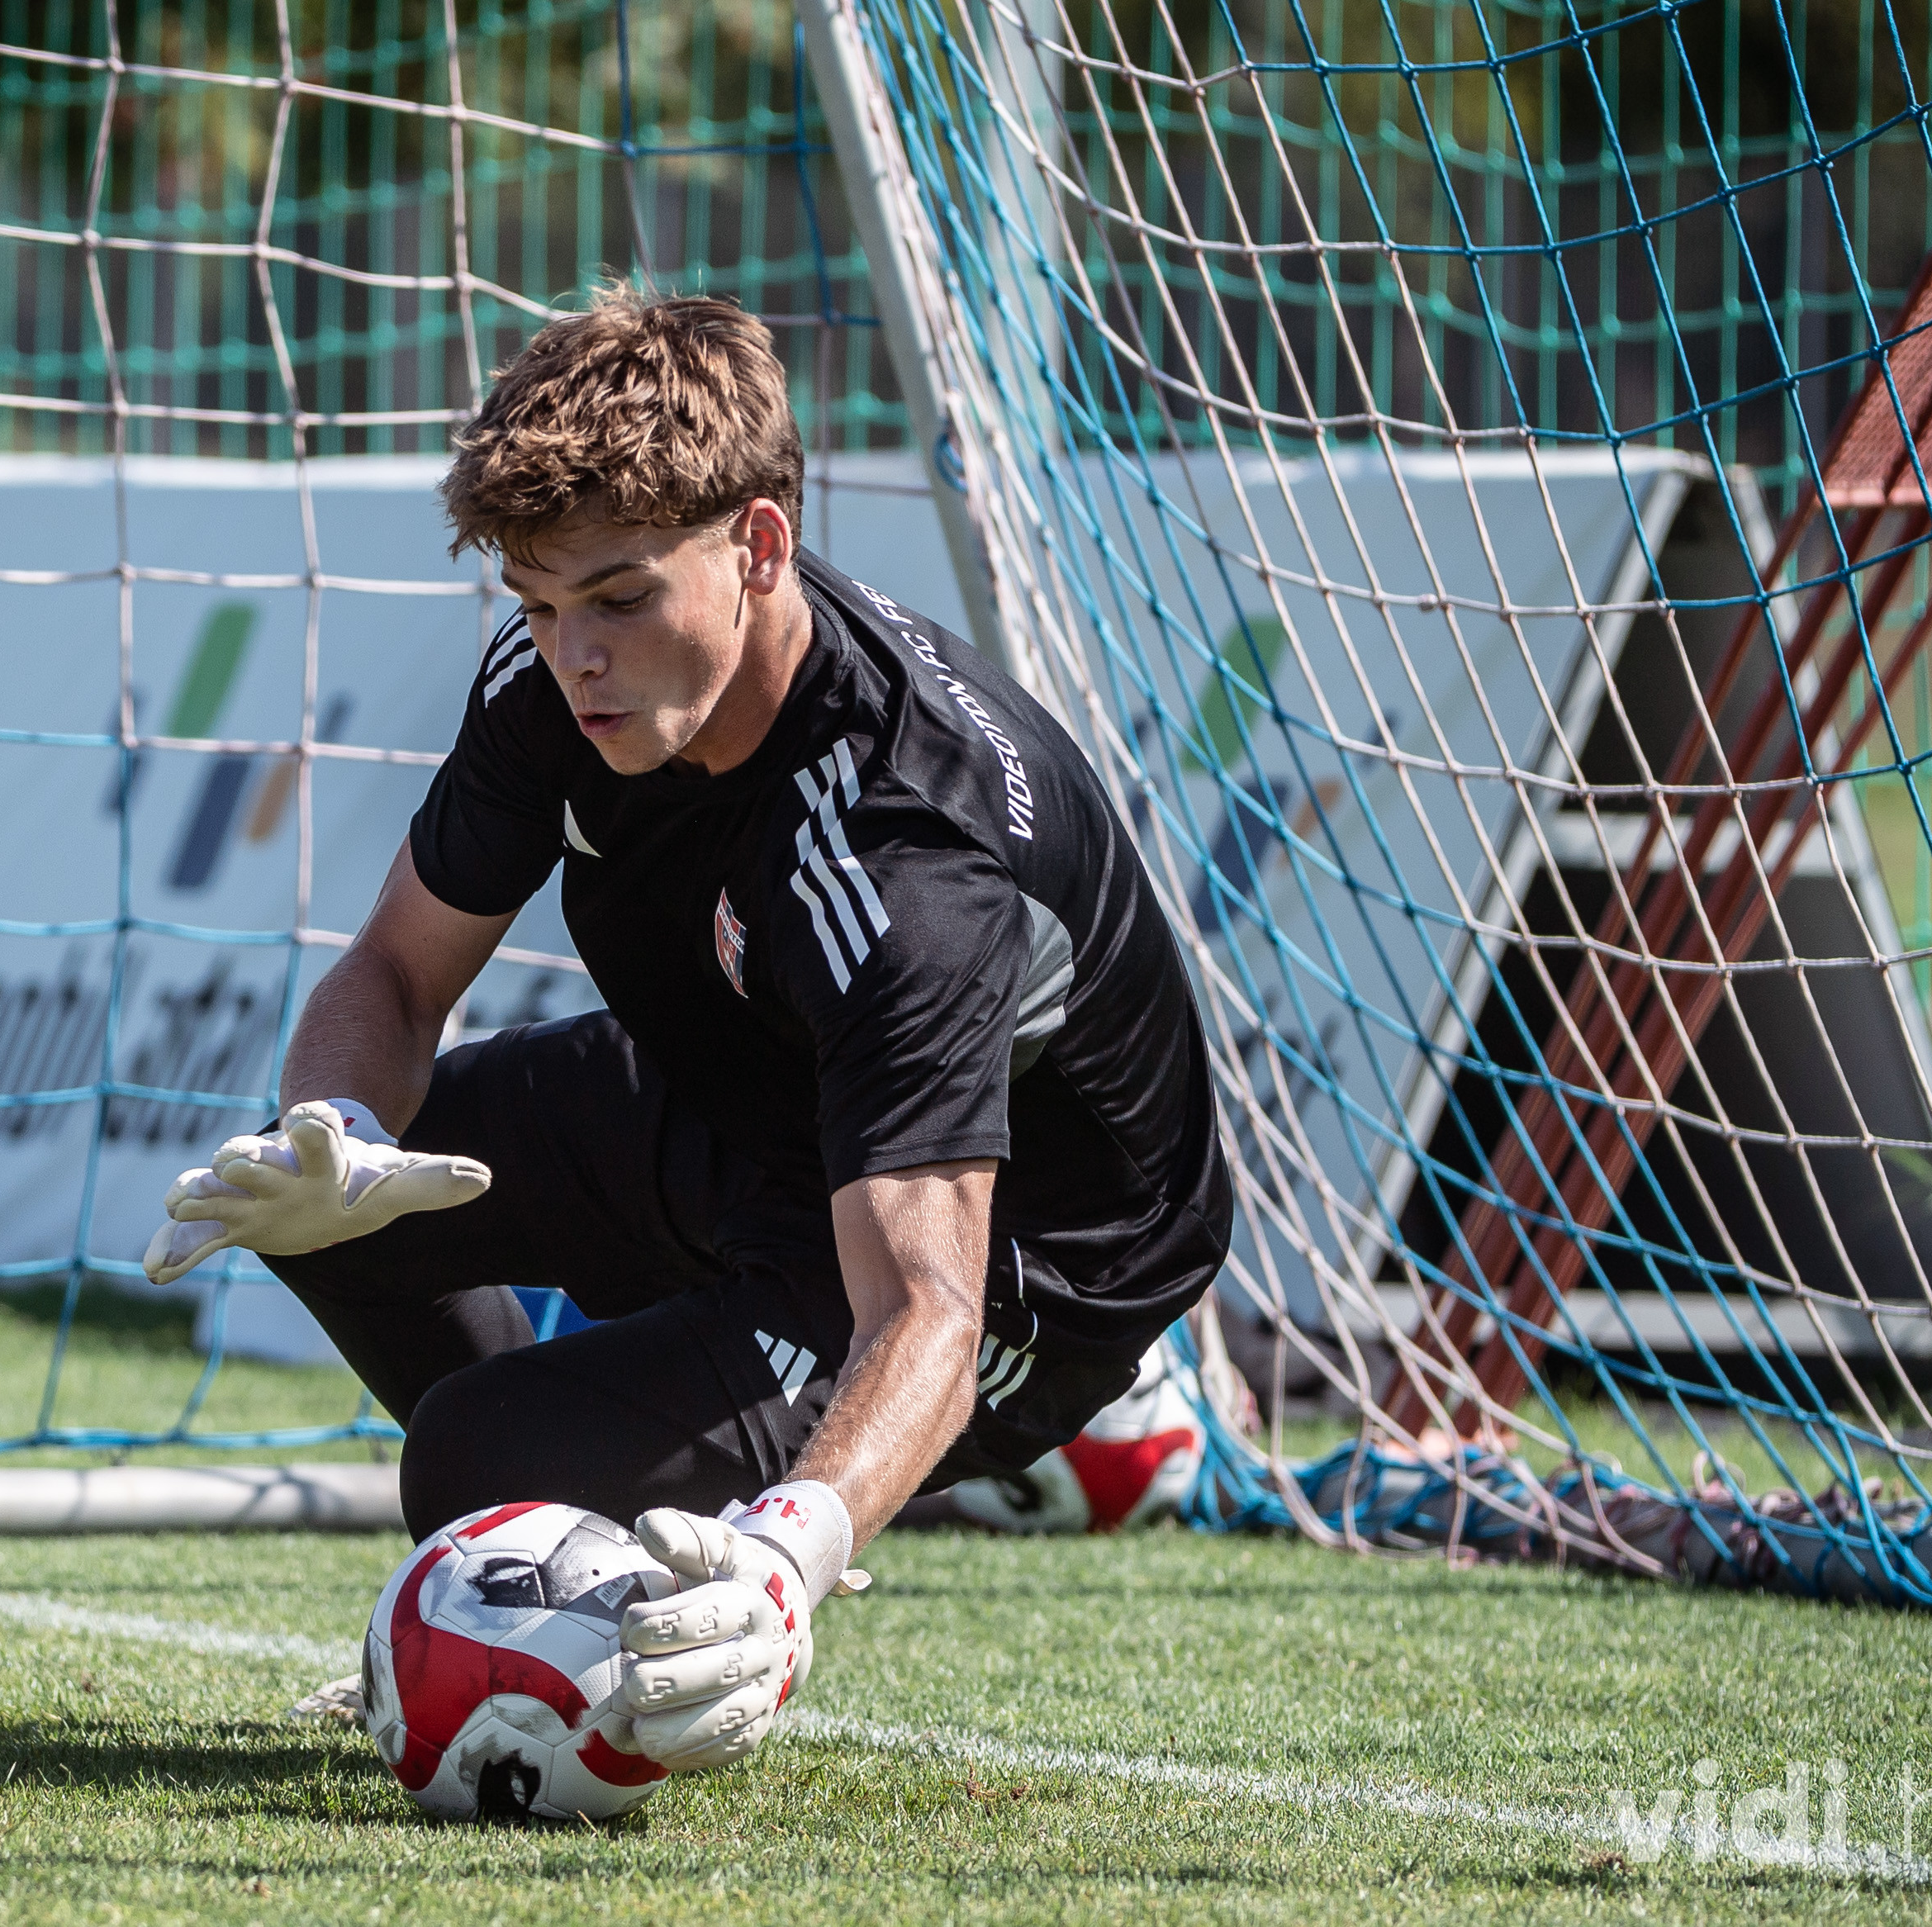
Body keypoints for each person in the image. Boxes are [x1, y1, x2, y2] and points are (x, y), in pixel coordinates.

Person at [143, 288, 1227, 1775]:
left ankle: (721, 1535)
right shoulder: (557, 683)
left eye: (618, 598)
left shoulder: (903, 863)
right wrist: (339, 1127)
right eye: (537, 604)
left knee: (473, 1459)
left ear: (758, 544)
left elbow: (927, 1304)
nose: (572, 654)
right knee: (317, 1204)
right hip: (749, 1095)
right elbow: (392, 975)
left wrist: (791, 1555)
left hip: (1027, 1259)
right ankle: (590, 1558)